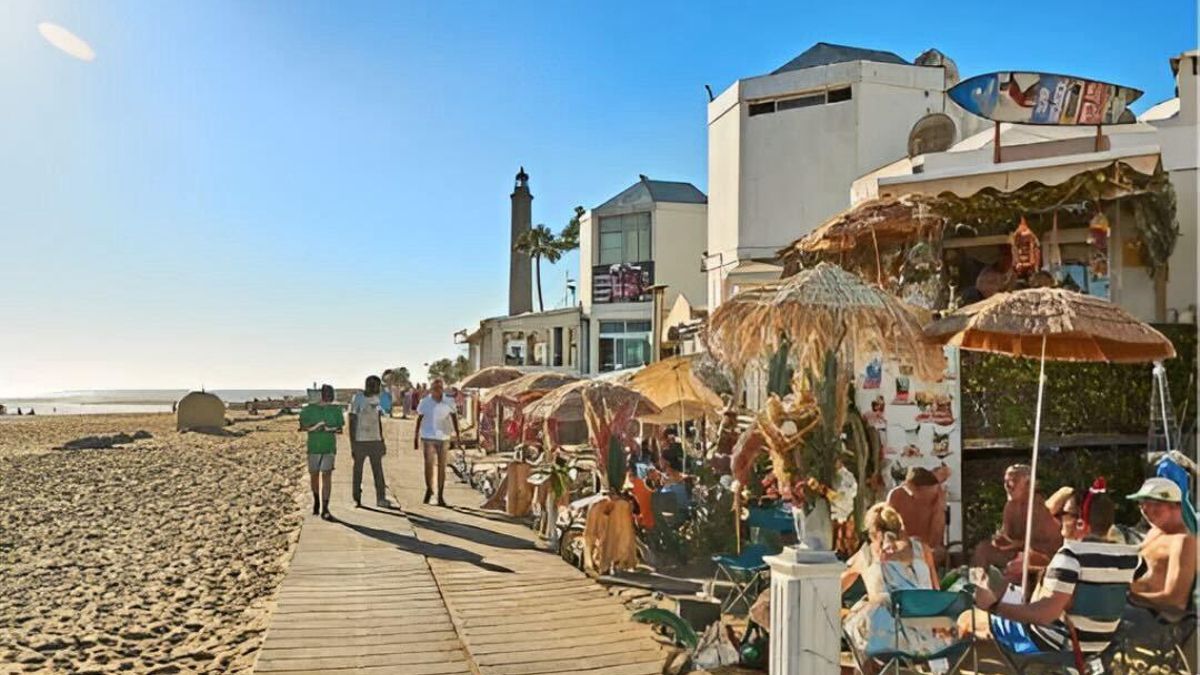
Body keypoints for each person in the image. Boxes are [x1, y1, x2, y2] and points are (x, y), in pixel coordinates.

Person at [974, 486, 1138, 657]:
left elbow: (1044, 614)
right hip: (1101, 645)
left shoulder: (1070, 555)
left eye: (1063, 515)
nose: (1058, 520)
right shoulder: (1130, 557)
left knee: (974, 619)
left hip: (1056, 644)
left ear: (1080, 523)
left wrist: (994, 607)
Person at [842, 503, 949, 672]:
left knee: (855, 621)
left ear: (873, 534)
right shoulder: (922, 549)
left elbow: (836, 585)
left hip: (892, 639)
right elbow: (936, 590)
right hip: (931, 635)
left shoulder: (869, 555)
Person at [972, 464, 1062, 571]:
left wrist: (1017, 544)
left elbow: (1046, 545)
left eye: (1013, 480)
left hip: (1045, 557)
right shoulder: (1010, 506)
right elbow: (1007, 537)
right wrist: (1000, 539)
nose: (1007, 485)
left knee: (1022, 560)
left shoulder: (1036, 507)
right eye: (1005, 481)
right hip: (1019, 552)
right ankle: (977, 584)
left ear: (1029, 485)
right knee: (982, 549)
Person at [1127, 477, 1197, 614]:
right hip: (1136, 609)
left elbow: (1176, 600)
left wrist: (1129, 597)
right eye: (1142, 503)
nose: (1145, 509)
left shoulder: (1184, 542)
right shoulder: (1154, 533)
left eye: (1154, 503)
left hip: (1157, 619)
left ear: (1175, 506)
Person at [299, 385, 344, 520]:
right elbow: (303, 427)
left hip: (328, 447)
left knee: (326, 475)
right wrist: (316, 426)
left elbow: (340, 428)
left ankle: (325, 507)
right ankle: (316, 501)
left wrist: (332, 428)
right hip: (314, 447)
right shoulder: (308, 409)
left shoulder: (336, 409)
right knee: (314, 475)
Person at [348, 375, 393, 510]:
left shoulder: (378, 399)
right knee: (358, 471)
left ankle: (381, 498)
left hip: (375, 440)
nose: (377, 388)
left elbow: (379, 418)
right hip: (360, 441)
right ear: (368, 385)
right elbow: (352, 420)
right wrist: (353, 443)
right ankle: (357, 498)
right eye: (375, 385)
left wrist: (382, 440)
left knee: (378, 471)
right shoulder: (358, 398)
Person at [414, 379, 461, 506]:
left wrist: (458, 434)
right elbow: (419, 418)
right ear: (431, 389)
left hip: (444, 436)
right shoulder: (425, 402)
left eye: (440, 388)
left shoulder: (449, 401)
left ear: (443, 389)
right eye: (435, 388)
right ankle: (429, 489)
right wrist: (415, 437)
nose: (437, 390)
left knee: (442, 467)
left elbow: (454, 417)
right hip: (428, 436)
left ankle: (440, 495)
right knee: (429, 465)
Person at [886, 467, 946, 562]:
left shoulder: (937, 497)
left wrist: (926, 550)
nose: (929, 497)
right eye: (926, 493)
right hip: (899, 548)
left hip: (926, 549)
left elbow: (936, 535)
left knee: (938, 553)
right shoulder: (896, 496)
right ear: (911, 488)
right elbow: (888, 529)